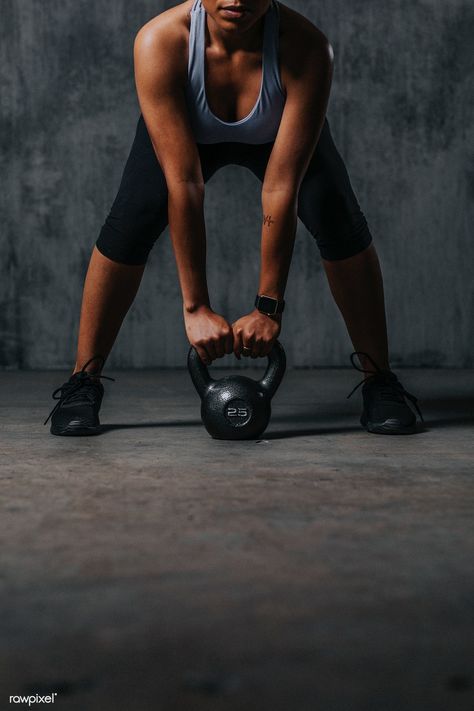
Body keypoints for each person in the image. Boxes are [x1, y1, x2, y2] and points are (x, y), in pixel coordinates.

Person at [44, 0, 424, 436]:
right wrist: (196, 307)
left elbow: (281, 188)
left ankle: (380, 381)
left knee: (338, 217)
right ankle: (82, 381)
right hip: (186, 137)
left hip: (276, 134)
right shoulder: (161, 41)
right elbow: (185, 184)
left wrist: (268, 308)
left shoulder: (306, 47)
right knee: (131, 221)